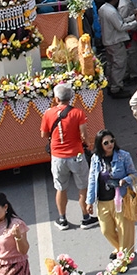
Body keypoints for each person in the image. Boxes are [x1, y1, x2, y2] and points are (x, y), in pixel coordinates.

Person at [40, 82, 97, 230]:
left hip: (57, 156)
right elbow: (84, 135)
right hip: (76, 154)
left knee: (60, 188)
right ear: (70, 98)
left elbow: (43, 134)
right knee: (83, 187)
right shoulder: (78, 113)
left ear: (56, 98)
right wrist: (88, 145)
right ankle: (85, 217)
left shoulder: (48, 113)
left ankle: (62, 219)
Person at [87, 129, 137, 261]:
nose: (110, 144)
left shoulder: (124, 156)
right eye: (106, 143)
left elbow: (134, 174)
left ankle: (125, 256)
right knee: (106, 230)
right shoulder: (95, 159)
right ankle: (119, 248)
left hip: (121, 199)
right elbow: (92, 180)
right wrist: (89, 201)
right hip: (103, 201)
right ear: (100, 144)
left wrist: (125, 180)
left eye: (112, 141)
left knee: (124, 230)